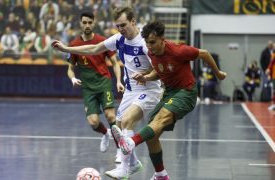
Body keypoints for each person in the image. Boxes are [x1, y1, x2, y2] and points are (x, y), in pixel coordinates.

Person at [52, 7, 163, 179]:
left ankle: (125, 168)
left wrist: (146, 76)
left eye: (124, 25)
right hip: (131, 90)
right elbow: (94, 48)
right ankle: (133, 163)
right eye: (118, 26)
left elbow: (159, 69)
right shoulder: (119, 39)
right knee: (117, 127)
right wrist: (67, 49)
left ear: (133, 21)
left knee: (127, 121)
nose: (120, 29)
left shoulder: (145, 43)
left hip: (149, 89)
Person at [111, 20, 227, 180]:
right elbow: (158, 72)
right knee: (152, 134)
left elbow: (205, 53)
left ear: (162, 39)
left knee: (160, 118)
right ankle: (160, 174)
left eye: (152, 42)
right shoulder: (152, 53)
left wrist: (218, 73)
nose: (149, 46)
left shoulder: (178, 50)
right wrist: (145, 77)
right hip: (169, 93)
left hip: (186, 92)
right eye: (147, 43)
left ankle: (130, 142)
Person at [65, 11, 124, 153]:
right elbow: (70, 69)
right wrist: (72, 78)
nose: (87, 25)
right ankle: (105, 133)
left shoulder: (103, 41)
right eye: (84, 22)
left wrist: (118, 81)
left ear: (94, 23)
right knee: (93, 122)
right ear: (80, 23)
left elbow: (115, 63)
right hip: (88, 88)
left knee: (110, 116)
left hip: (103, 83)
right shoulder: (75, 45)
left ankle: (120, 150)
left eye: (89, 22)